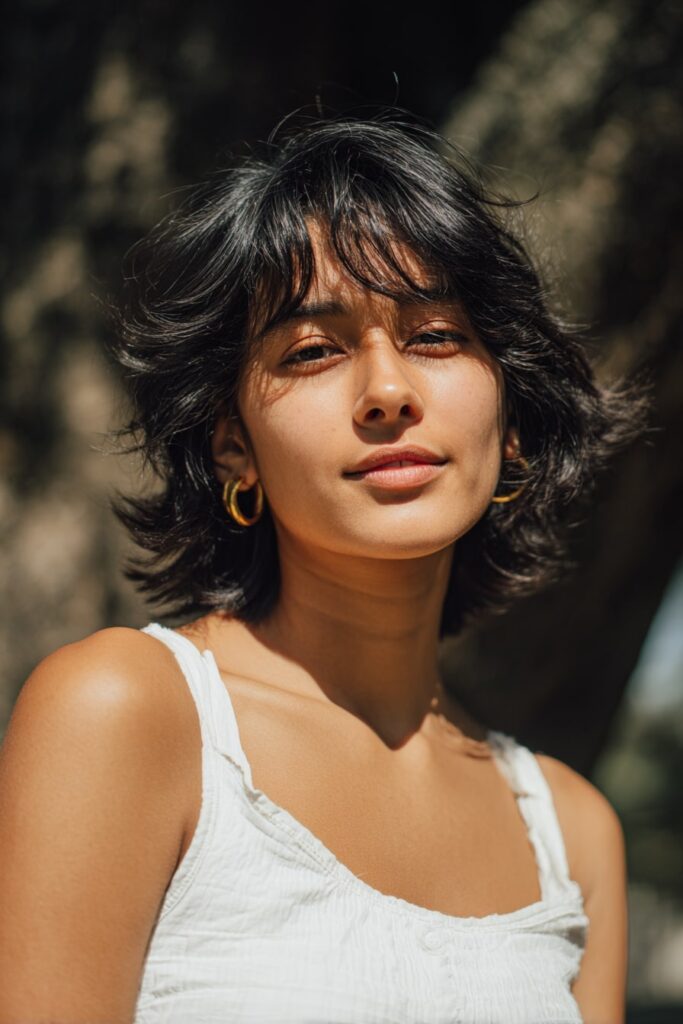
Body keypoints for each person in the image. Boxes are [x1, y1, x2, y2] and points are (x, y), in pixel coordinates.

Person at [0, 107, 650, 1024]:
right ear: (233, 445)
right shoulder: (128, 714)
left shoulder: (572, 833)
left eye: (435, 337)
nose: (387, 391)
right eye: (313, 350)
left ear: (510, 425)